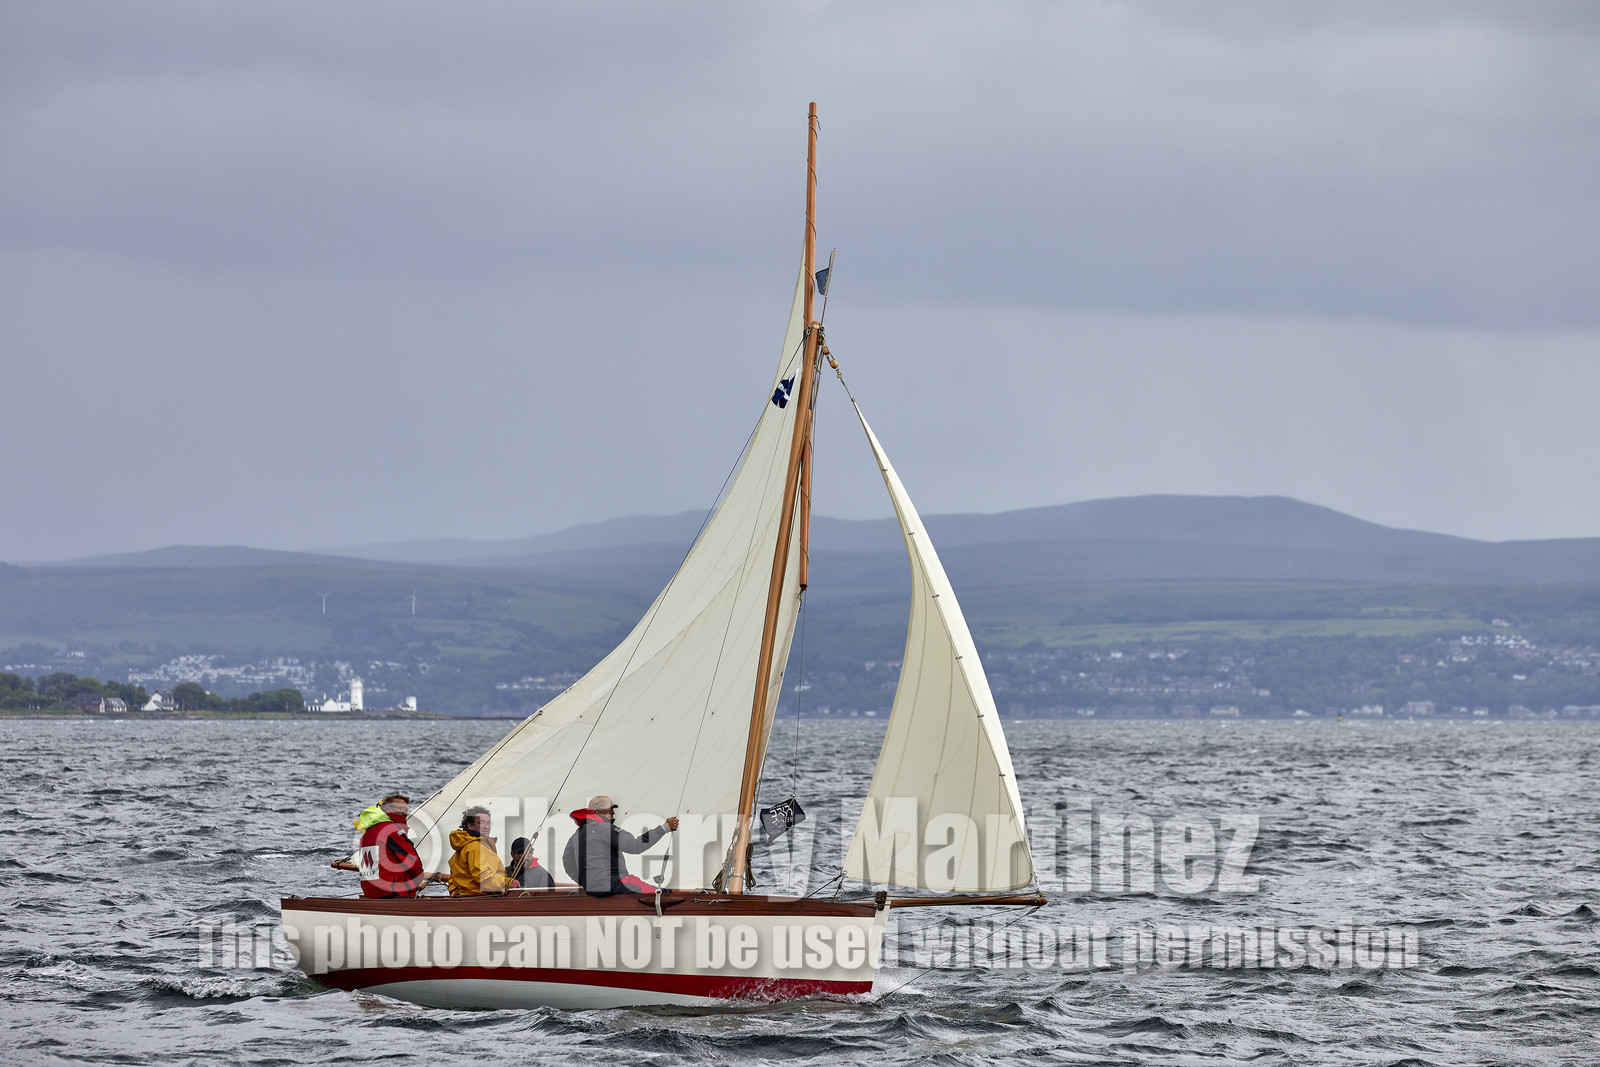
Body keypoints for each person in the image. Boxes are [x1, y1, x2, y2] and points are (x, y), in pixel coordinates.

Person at [562, 795, 679, 896]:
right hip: (613, 884)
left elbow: (567, 861)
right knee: (662, 894)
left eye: (612, 809)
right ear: (596, 812)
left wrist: (587, 882)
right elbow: (635, 845)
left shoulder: (577, 834)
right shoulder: (605, 829)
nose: (612, 812)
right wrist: (664, 828)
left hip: (593, 889)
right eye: (608, 809)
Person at [355, 792, 447, 898]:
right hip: (392, 893)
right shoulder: (391, 830)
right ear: (388, 809)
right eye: (401, 808)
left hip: (371, 892)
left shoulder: (367, 834)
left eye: (406, 809)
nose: (405, 813)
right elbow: (411, 861)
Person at [448, 806, 519, 895]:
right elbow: (483, 878)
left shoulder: (463, 845)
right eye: (482, 823)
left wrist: (454, 891)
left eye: (488, 823)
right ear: (470, 825)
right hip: (481, 900)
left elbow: (453, 876)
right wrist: (508, 883)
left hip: (467, 899)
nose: (486, 827)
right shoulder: (476, 847)